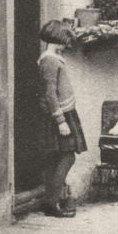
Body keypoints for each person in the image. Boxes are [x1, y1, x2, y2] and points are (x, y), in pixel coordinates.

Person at [37, 20, 87, 218]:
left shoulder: (53, 59)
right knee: (67, 157)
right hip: (59, 114)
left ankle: (53, 201)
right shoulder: (49, 61)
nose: (67, 43)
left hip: (65, 112)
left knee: (58, 158)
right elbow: (50, 94)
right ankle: (52, 203)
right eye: (66, 39)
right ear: (58, 39)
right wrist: (61, 121)